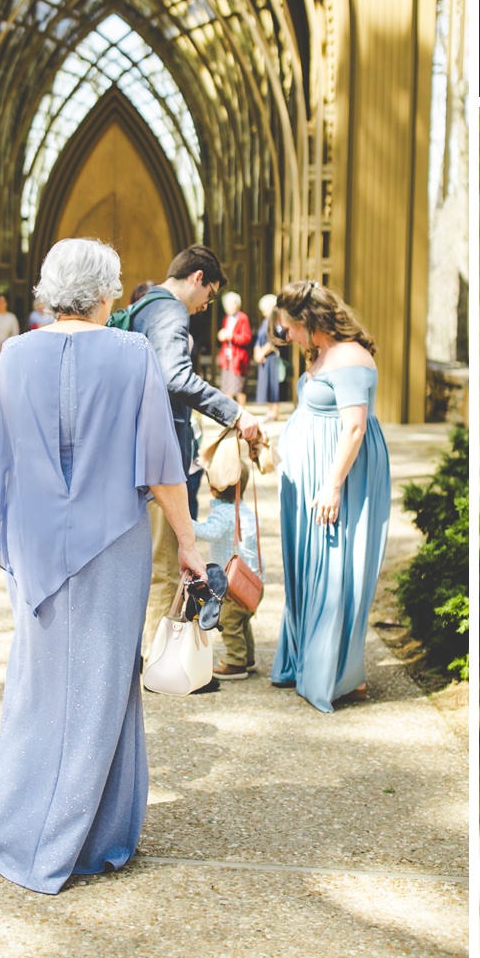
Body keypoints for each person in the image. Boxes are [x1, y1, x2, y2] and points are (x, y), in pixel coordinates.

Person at [0, 237, 201, 894]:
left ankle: (30, 830)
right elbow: (161, 461)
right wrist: (187, 540)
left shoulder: (17, 354)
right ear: (106, 292)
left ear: (49, 291)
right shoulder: (132, 353)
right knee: (106, 678)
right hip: (113, 540)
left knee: (38, 680)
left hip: (37, 542)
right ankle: (96, 838)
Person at [129, 244, 263, 665]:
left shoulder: (142, 307)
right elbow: (175, 377)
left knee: (155, 562)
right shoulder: (171, 310)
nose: (206, 306)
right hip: (159, 457)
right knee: (167, 565)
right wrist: (235, 412)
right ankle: (160, 662)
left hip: (136, 453)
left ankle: (151, 657)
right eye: (210, 295)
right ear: (197, 278)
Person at [272, 280, 389, 713]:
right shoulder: (321, 352)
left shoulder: (350, 357)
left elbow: (354, 428)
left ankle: (338, 673)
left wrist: (332, 483)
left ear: (310, 320)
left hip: (340, 478)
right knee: (307, 564)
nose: (286, 335)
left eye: (289, 326)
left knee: (334, 565)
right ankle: (306, 657)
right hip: (311, 477)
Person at [193, 449, 260, 681]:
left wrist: (186, 524)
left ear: (214, 487)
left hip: (232, 585)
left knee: (229, 622)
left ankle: (235, 661)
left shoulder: (222, 513)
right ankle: (248, 658)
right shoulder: (246, 510)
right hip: (251, 582)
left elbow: (209, 532)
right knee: (243, 621)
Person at [216, 290, 253, 404]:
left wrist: (231, 336)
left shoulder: (242, 318)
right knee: (227, 387)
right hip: (227, 357)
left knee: (239, 388)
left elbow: (246, 338)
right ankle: (229, 410)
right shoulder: (226, 318)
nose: (227, 307)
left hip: (238, 358)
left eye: (230, 304)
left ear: (236, 305)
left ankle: (242, 410)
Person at [253, 292, 285, 420]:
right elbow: (258, 339)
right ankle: (270, 410)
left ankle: (275, 411)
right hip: (264, 357)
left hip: (272, 356)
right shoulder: (264, 322)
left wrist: (263, 351)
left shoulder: (277, 322)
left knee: (273, 382)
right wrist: (257, 351)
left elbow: (277, 338)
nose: (263, 312)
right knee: (267, 382)